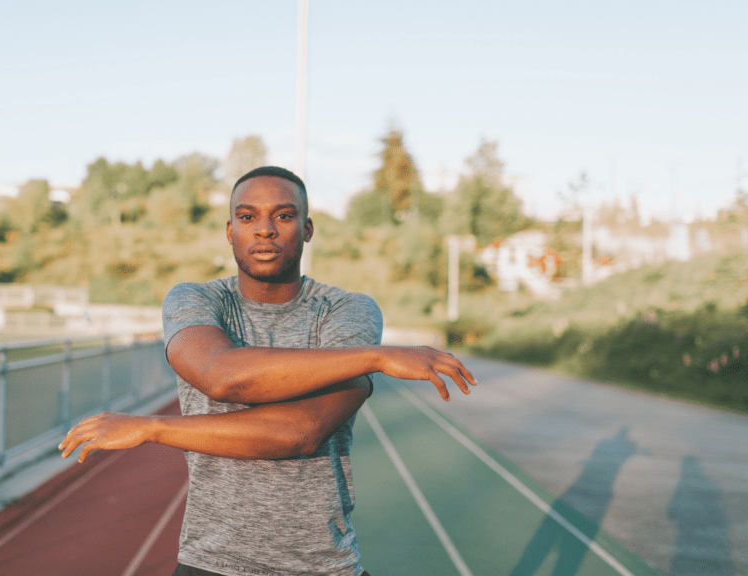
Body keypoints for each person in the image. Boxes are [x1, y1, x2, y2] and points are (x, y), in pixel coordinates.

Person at [59, 166, 477, 576]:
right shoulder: (196, 301)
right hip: (211, 563)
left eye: (283, 215)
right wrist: (376, 357)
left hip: (321, 566)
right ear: (230, 231)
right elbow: (220, 376)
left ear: (307, 228)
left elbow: (300, 432)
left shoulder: (347, 311)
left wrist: (153, 428)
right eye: (247, 217)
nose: (264, 229)